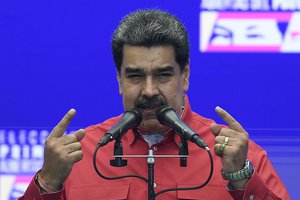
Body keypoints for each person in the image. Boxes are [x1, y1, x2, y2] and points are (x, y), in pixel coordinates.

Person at [19, 9, 290, 200]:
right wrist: (48, 183)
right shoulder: (79, 156)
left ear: (185, 76)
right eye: (135, 76)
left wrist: (241, 178)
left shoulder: (238, 156)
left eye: (163, 75)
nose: (149, 91)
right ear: (119, 79)